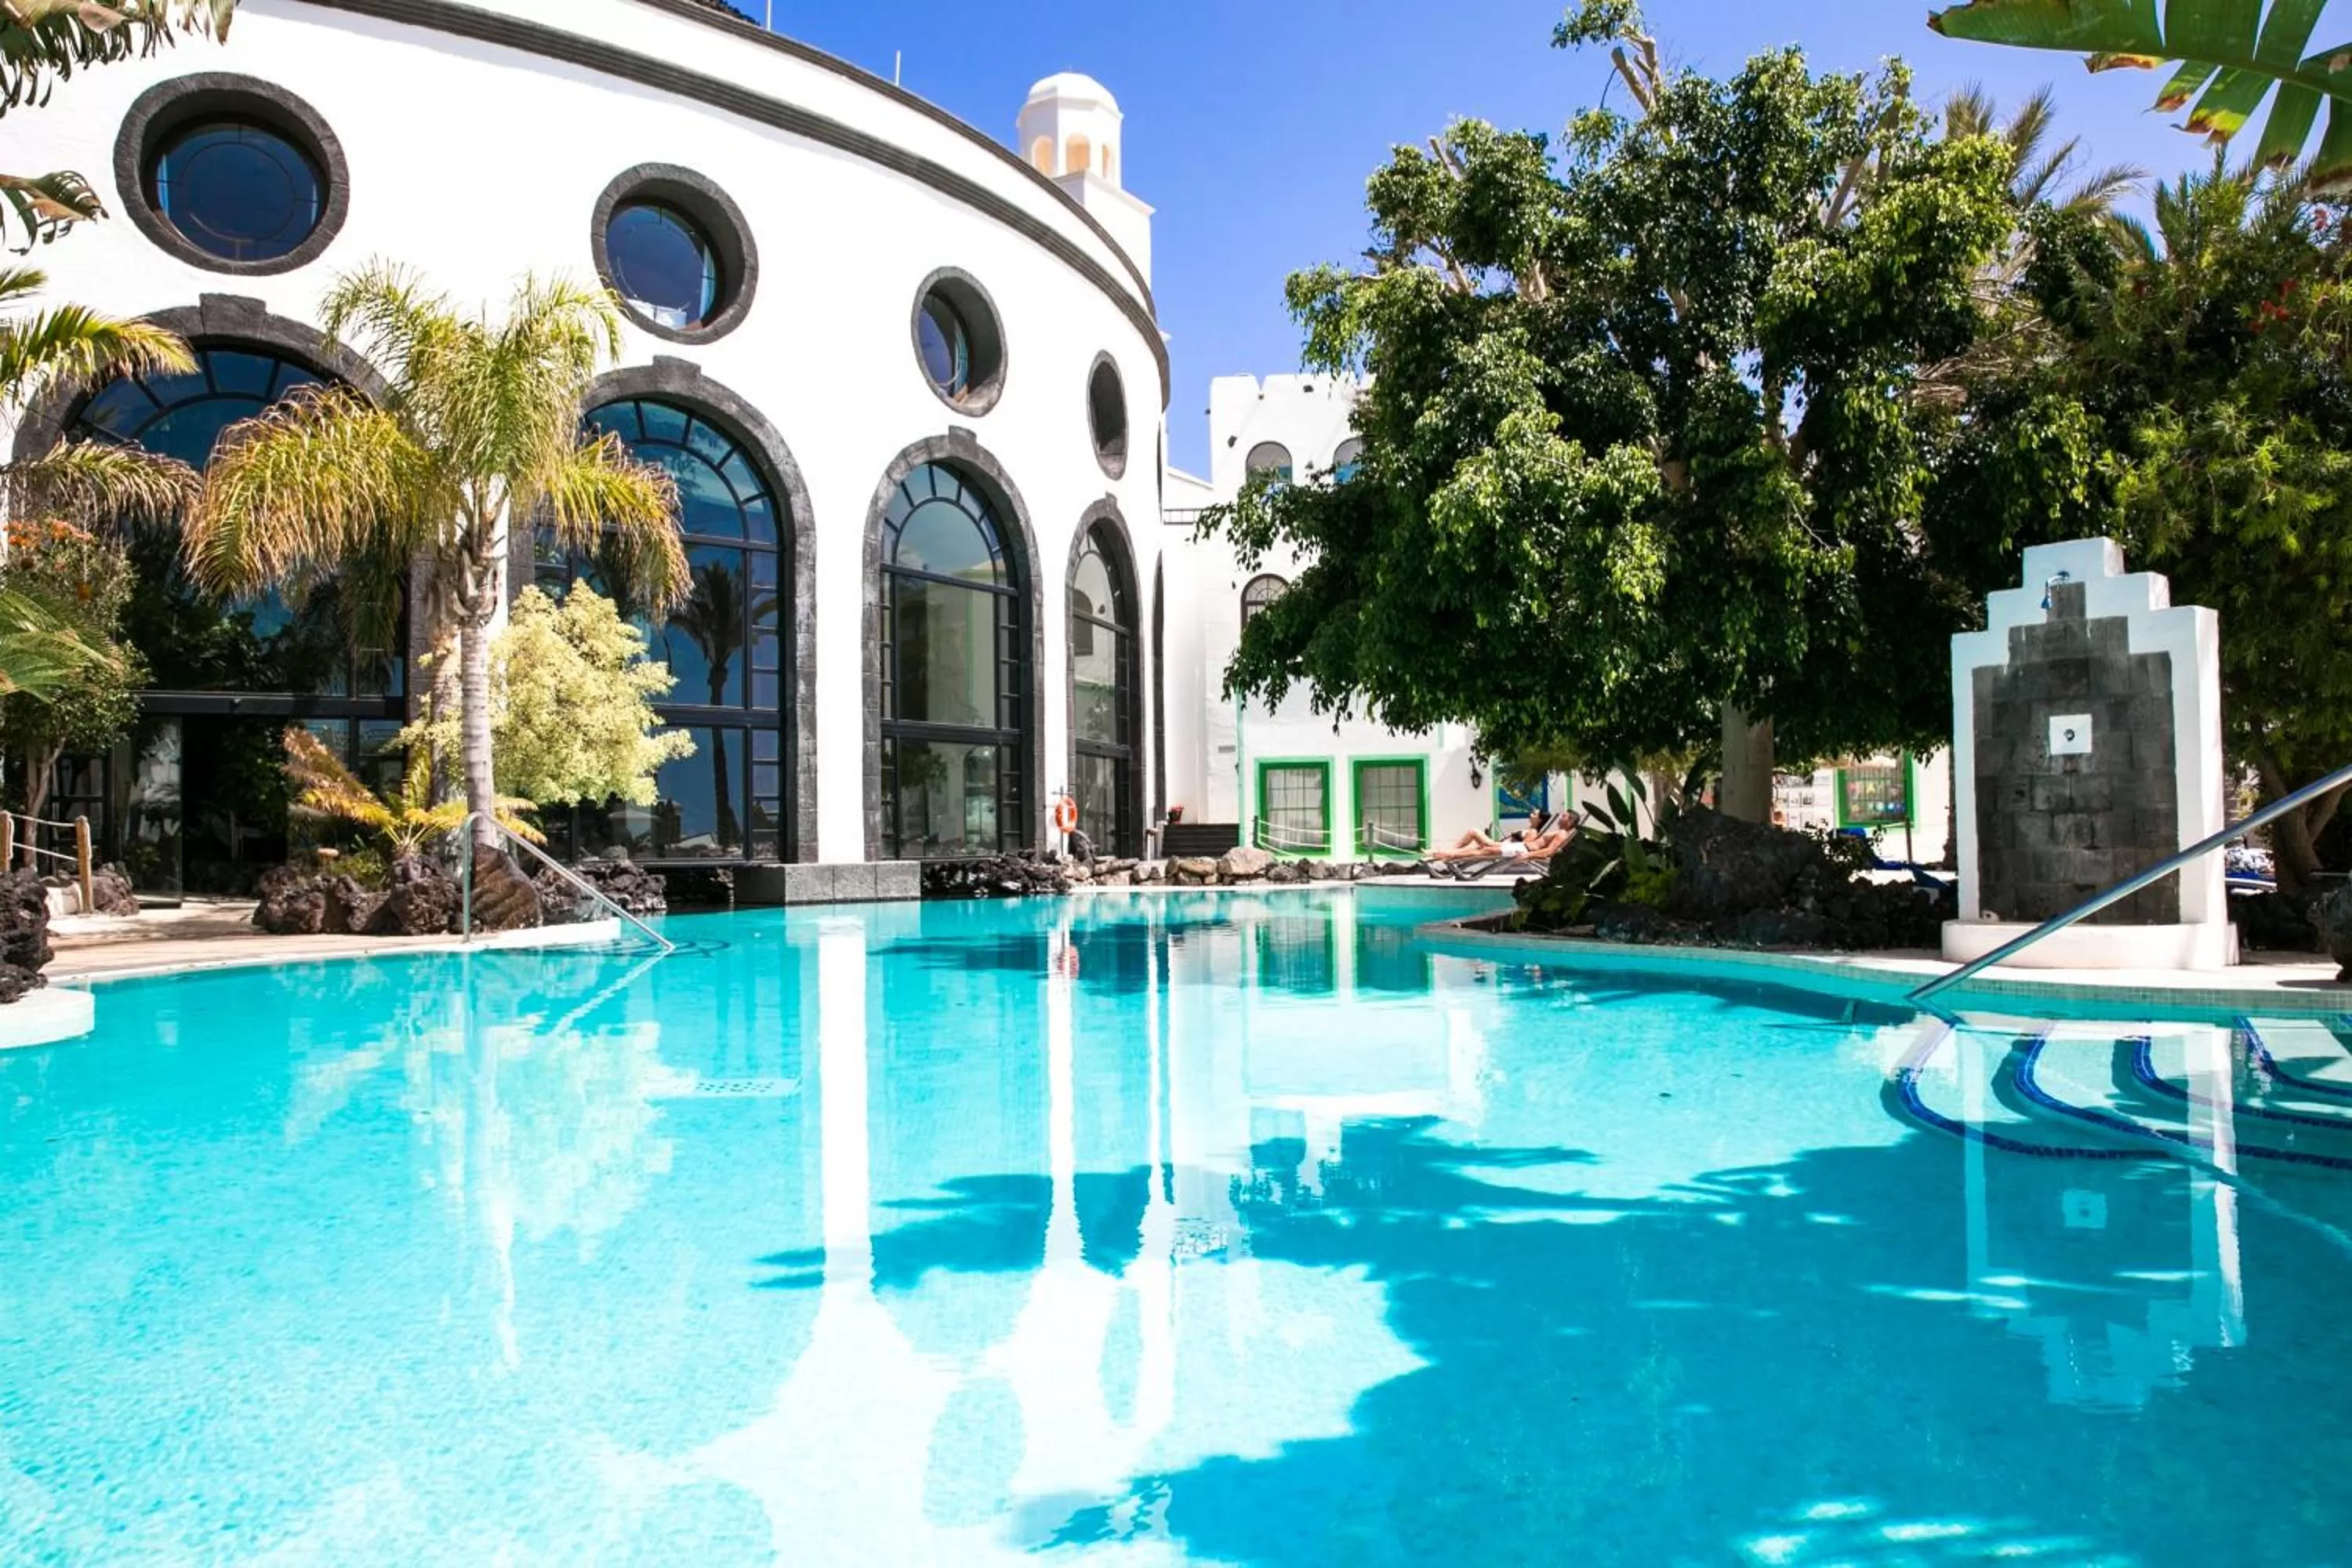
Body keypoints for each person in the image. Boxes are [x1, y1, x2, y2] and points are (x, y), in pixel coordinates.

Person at [1426, 808, 1552, 864]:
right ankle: (1441, 854)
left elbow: (1522, 846)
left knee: (1473, 831)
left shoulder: (1533, 832)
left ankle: (1445, 853)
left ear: (1540, 820)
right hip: (1500, 844)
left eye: (1534, 814)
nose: (1531, 815)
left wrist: (1506, 842)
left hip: (1500, 846)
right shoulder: (1529, 829)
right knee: (1473, 848)